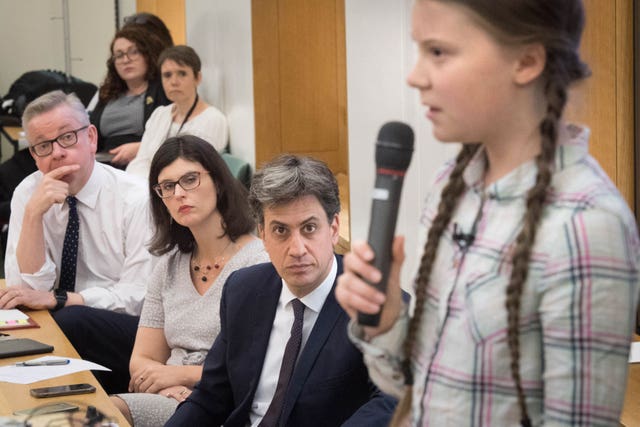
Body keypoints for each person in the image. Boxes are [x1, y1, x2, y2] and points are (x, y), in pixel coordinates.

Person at [336, 1, 640, 426]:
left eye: (438, 52)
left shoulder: (586, 225)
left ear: (527, 60)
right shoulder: (452, 184)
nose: (415, 75)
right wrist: (387, 320)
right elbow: (424, 388)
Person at [165, 154, 397, 426]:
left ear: (333, 229)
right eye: (280, 231)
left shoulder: (377, 304)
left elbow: (390, 402)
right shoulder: (243, 289)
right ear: (262, 234)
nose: (297, 249)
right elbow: (211, 396)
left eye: (309, 228)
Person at [0, 90, 154, 394]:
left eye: (67, 138)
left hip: (127, 327)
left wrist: (65, 300)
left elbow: (139, 296)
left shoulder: (135, 198)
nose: (57, 153)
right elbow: (25, 294)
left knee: (72, 320)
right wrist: (33, 216)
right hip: (59, 318)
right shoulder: (27, 193)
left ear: (91, 138)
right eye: (43, 146)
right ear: (33, 155)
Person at [110, 135, 268, 426]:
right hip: (171, 396)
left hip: (224, 403)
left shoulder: (259, 262)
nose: (179, 193)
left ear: (218, 181)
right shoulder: (168, 265)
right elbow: (142, 359)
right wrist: (168, 385)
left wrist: (180, 375)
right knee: (94, 413)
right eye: (167, 187)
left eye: (190, 179)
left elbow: (251, 367)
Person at [126, 45, 228, 179]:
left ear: (197, 78)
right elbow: (141, 161)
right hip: (150, 188)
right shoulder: (159, 114)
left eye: (182, 73)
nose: (174, 82)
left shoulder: (213, 119)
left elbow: (198, 173)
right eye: (167, 75)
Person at [90, 25, 170, 166]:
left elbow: (174, 134)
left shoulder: (162, 90)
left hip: (144, 164)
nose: (126, 60)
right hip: (104, 165)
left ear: (147, 55)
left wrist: (141, 148)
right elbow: (90, 134)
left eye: (133, 52)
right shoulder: (107, 93)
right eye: (119, 55)